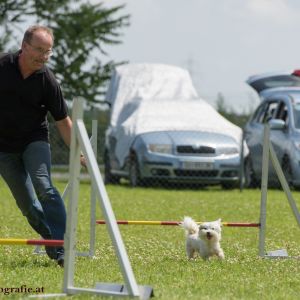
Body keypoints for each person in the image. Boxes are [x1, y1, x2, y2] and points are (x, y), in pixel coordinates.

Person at [0, 25, 85, 267]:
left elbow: (63, 121)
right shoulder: (2, 66)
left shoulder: (47, 81)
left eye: (48, 52)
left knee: (45, 187)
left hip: (34, 140)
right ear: (24, 46)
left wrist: (79, 152)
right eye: (39, 50)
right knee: (27, 205)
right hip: (3, 148)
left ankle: (63, 249)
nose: (43, 56)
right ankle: (53, 241)